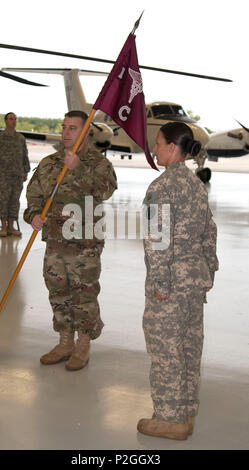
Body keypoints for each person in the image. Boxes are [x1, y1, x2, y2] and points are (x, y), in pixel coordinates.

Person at [137, 122, 219, 440]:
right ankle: (185, 411)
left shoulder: (162, 186)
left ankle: (170, 418)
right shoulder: (195, 184)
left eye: (157, 144)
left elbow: (157, 241)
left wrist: (160, 284)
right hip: (194, 282)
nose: (154, 149)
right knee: (188, 347)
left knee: (165, 349)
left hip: (170, 284)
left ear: (173, 147)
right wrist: (208, 271)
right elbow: (209, 231)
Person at [23, 110, 117, 371]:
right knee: (58, 292)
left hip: (84, 242)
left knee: (84, 294)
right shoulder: (49, 163)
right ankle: (65, 341)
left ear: (86, 132)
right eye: (64, 127)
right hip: (55, 240)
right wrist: (33, 216)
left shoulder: (98, 164)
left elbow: (105, 190)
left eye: (73, 128)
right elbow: (33, 195)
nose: (66, 132)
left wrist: (77, 170)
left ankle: (83, 345)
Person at [0, 112, 30, 237]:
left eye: (15, 119)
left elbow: (24, 156)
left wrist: (25, 171)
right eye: (11, 119)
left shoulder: (20, 138)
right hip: (4, 175)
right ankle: (3, 227)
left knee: (15, 201)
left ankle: (11, 227)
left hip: (17, 175)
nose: (13, 121)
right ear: (5, 121)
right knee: (4, 200)